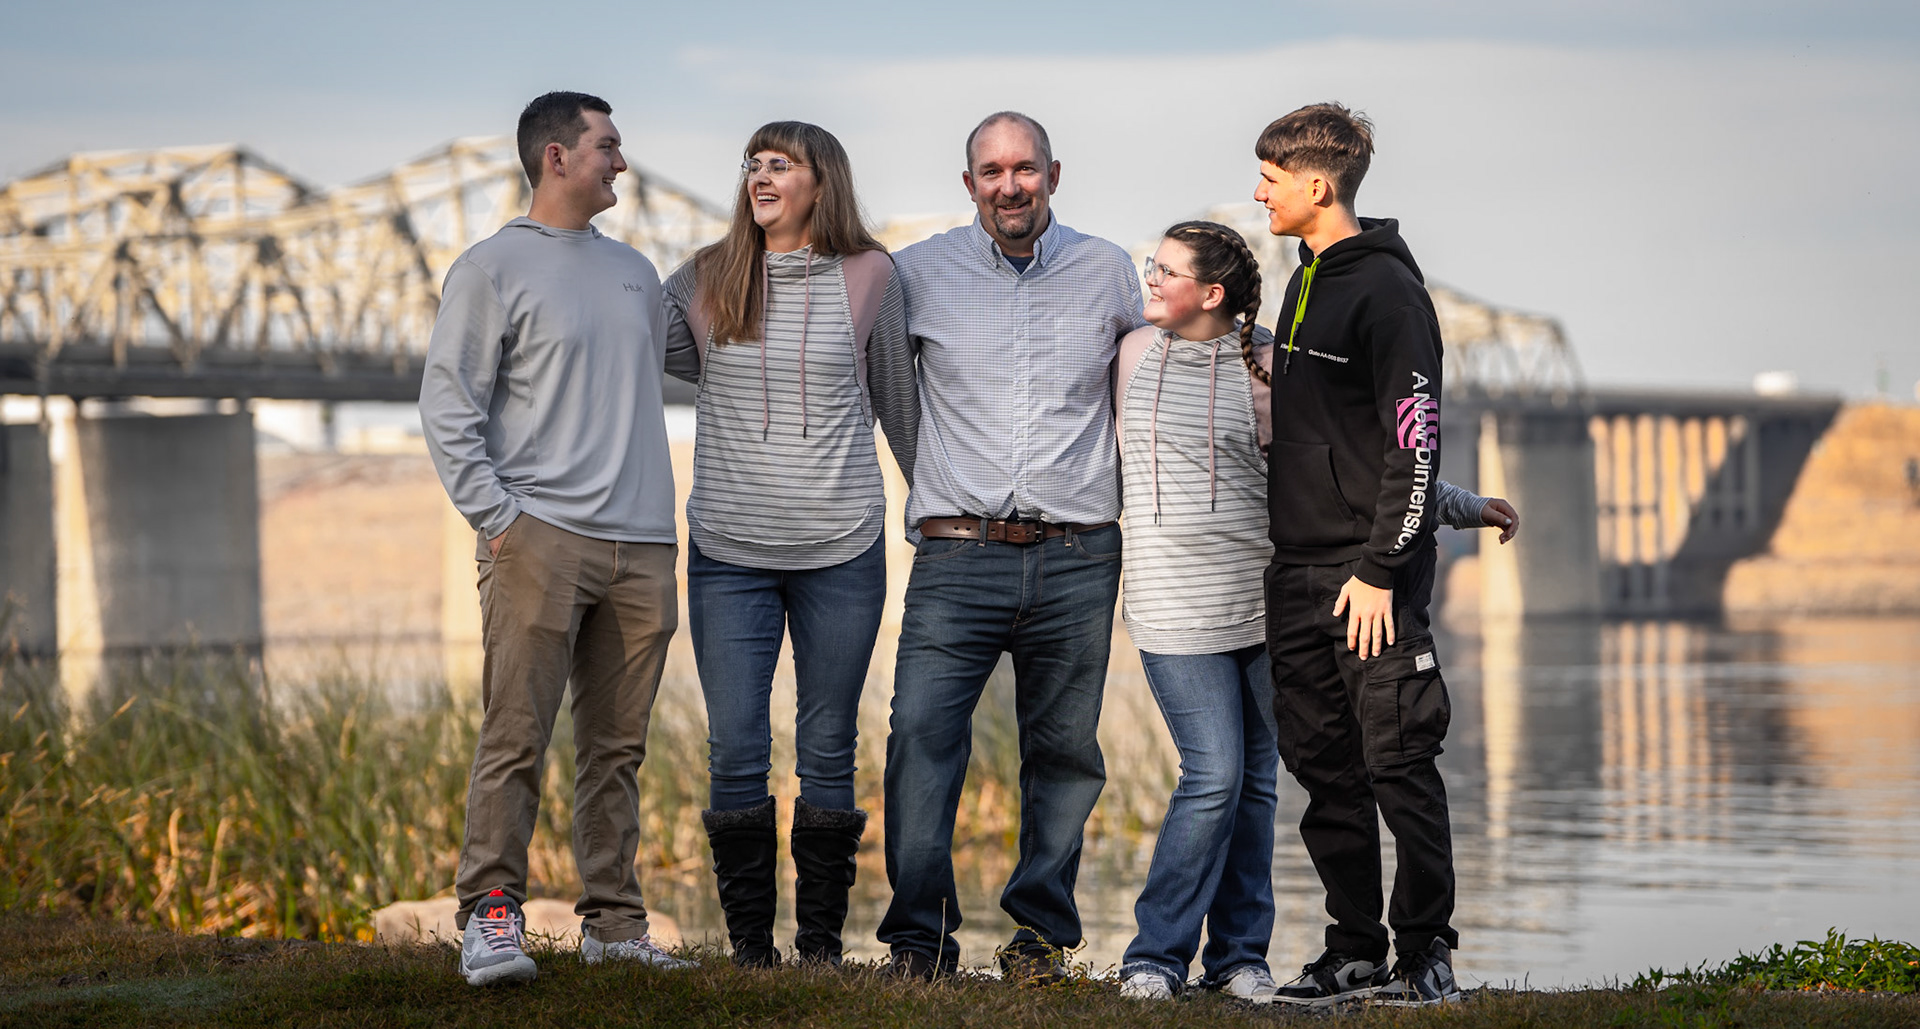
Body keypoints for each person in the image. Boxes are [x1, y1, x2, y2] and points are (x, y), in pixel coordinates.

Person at [1112, 222, 1515, 1003]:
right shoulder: (1129, 354)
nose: (1149, 278)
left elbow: (1347, 464)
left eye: (1165, 269)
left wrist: (1458, 504)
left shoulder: (1270, 365)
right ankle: (1154, 957)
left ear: (1212, 292)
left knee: (1260, 782)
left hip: (1268, 602)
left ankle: (1239, 957)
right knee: (1214, 773)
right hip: (1170, 606)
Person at [420, 91, 688, 986]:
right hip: (541, 538)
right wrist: (499, 520)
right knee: (516, 736)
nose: (622, 161)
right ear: (557, 157)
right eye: (608, 145)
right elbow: (448, 404)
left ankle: (614, 923)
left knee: (618, 751)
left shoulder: (637, 273)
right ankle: (490, 916)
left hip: (642, 546)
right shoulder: (490, 267)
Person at [877, 111, 1144, 982]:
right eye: (991, 172)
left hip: (1079, 555)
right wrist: (940, 489)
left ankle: (1039, 940)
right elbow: (888, 392)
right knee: (921, 735)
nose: (1009, 185)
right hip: (958, 556)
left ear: (1053, 175)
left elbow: (1153, 375)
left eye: (1024, 168)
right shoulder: (915, 273)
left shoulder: (1109, 270)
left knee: (1064, 754)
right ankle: (919, 941)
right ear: (969, 185)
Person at [659, 121, 918, 968]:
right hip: (727, 551)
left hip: (842, 549)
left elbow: (897, 401)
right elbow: (624, 349)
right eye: (753, 163)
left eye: (782, 163)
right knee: (735, 746)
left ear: (822, 182)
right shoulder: (705, 276)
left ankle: (819, 947)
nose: (761, 175)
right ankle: (749, 949)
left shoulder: (872, 274)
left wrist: (931, 504)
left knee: (829, 747)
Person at [1253, 102, 1490, 1008]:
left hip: (1368, 574)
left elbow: (1414, 443)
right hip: (1297, 570)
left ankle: (1426, 952)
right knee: (1326, 773)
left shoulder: (1388, 292)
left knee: (1399, 762)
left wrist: (1382, 570)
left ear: (1318, 185)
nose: (1260, 193)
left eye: (1271, 178)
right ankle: (1353, 950)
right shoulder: (1303, 279)